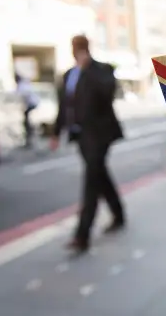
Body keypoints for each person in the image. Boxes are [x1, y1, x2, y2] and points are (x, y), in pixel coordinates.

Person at [51, 35, 125, 253]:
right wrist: (56, 133)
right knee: (99, 174)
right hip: (80, 136)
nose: (77, 51)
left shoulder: (102, 70)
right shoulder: (68, 75)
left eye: (80, 48)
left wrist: (87, 70)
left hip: (100, 135)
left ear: (86, 48)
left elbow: (107, 94)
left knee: (91, 180)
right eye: (74, 48)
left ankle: (82, 235)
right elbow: (64, 106)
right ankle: (119, 214)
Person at [14, 73, 39, 148]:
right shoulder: (24, 84)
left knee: (26, 120)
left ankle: (30, 132)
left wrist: (23, 106)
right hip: (32, 103)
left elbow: (24, 96)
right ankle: (29, 132)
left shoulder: (22, 85)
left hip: (31, 103)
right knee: (26, 119)